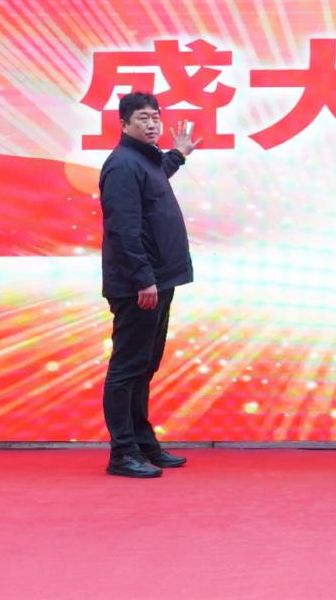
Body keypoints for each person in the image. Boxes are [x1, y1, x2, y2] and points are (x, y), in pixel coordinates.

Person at [98, 91, 199, 479]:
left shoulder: (146, 159)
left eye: (156, 117)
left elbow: (155, 182)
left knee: (144, 366)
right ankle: (122, 451)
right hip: (139, 285)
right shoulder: (122, 164)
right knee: (127, 368)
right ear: (124, 124)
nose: (153, 124)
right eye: (143, 118)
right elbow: (124, 228)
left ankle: (142, 442)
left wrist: (179, 155)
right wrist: (143, 278)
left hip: (159, 279)